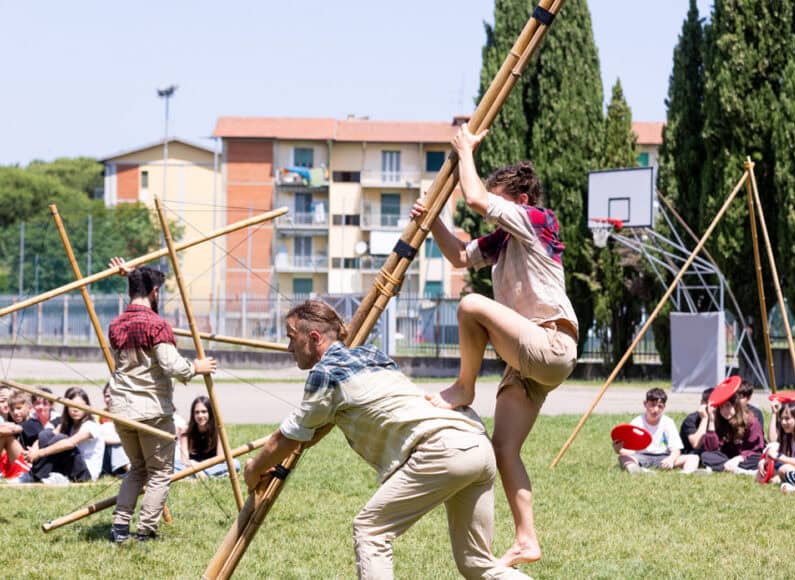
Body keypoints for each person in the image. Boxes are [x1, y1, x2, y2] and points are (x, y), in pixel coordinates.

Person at [244, 300, 527, 579]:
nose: (288, 348)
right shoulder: (371, 354)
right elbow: (316, 428)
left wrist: (254, 469)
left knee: (371, 531)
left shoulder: (325, 374)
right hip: (475, 443)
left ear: (314, 338)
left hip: (440, 449)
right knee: (476, 563)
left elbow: (286, 438)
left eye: (291, 338)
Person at [412, 125, 577, 567]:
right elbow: (460, 256)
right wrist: (433, 220)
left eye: (500, 201)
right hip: (527, 364)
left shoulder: (537, 219)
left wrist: (465, 150)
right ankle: (526, 539)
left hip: (550, 341)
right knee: (504, 449)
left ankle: (464, 387)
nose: (492, 213)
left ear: (519, 200)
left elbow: (476, 199)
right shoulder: (505, 240)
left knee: (470, 305)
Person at [106, 258, 216, 543]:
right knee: (159, 472)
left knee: (137, 469)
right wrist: (196, 367)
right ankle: (145, 530)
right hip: (151, 409)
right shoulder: (156, 325)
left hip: (121, 409)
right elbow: (172, 365)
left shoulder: (116, 325)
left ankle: (120, 527)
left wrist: (131, 274)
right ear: (155, 292)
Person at [26, 386, 102, 483]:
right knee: (45, 435)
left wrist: (39, 453)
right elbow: (45, 436)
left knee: (61, 439)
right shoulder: (68, 424)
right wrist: (33, 451)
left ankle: (36, 475)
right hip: (69, 468)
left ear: (87, 406)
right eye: (71, 406)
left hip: (86, 474)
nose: (75, 409)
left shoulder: (91, 425)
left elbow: (69, 443)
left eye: (80, 406)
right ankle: (39, 474)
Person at [616, 388, 698, 474]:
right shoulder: (637, 422)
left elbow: (676, 450)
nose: (656, 410)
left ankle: (686, 473)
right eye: (652, 405)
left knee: (694, 458)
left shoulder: (668, 422)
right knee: (623, 458)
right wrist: (618, 450)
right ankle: (639, 471)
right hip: (642, 456)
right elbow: (630, 451)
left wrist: (671, 459)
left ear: (664, 407)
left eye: (660, 406)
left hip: (664, 457)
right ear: (645, 404)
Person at [700, 388, 765, 473]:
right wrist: (711, 420)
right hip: (727, 457)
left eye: (728, 406)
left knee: (758, 459)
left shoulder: (751, 422)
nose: (724, 411)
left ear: (735, 405)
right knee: (706, 455)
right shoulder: (721, 420)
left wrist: (739, 458)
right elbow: (712, 449)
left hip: (746, 457)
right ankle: (731, 468)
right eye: (721, 407)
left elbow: (756, 449)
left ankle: (725, 467)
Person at [177, 396, 229, 478]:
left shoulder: (219, 430)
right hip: (191, 465)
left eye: (204, 412)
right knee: (174, 464)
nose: (200, 415)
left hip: (212, 465)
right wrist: (194, 465)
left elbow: (220, 459)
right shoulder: (186, 431)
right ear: (193, 414)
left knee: (235, 463)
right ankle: (211, 475)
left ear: (210, 413)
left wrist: (200, 467)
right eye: (197, 412)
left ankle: (197, 475)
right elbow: (184, 459)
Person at [761, 400, 795, 482]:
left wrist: (777, 456)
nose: (783, 422)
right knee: (773, 447)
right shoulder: (788, 433)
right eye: (782, 419)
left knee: (784, 469)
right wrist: (765, 461)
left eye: (787, 419)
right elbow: (772, 440)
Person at [100, 385, 129, 477]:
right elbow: (98, 439)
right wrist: (119, 440)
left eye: (114, 396)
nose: (111, 399)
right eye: (107, 396)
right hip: (107, 456)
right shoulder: (99, 415)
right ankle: (129, 469)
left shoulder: (128, 415)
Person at [679, 387, 715, 455]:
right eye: (711, 405)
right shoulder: (691, 419)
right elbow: (696, 445)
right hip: (691, 453)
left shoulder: (720, 418)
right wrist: (704, 419)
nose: (714, 409)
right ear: (702, 403)